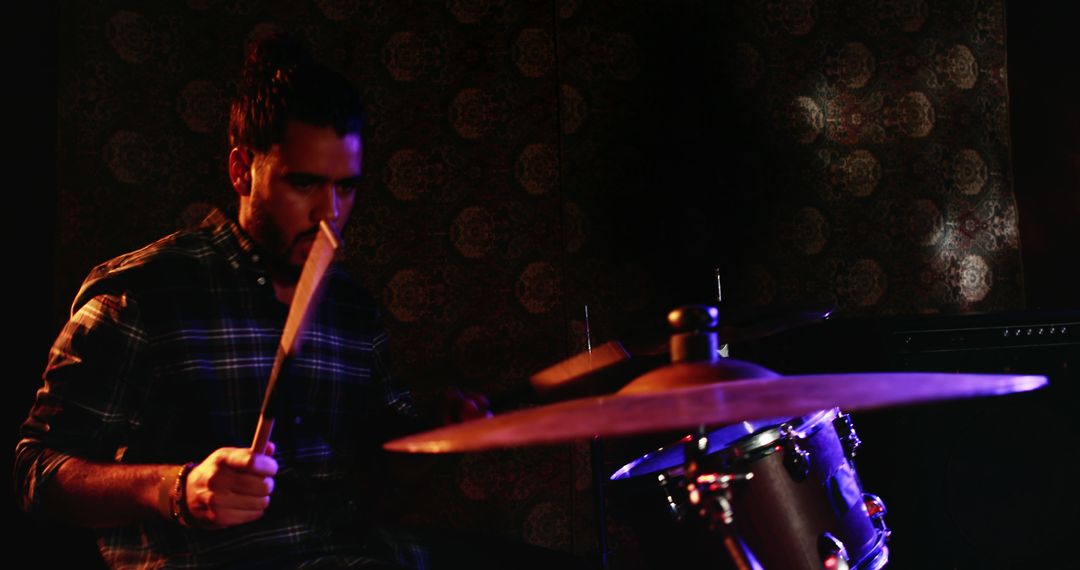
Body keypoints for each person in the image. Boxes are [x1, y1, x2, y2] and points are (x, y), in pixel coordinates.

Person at [15, 33, 487, 568]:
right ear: (242, 169)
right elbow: (36, 473)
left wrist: (440, 436)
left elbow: (385, 459)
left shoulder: (351, 307)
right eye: (304, 184)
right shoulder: (143, 292)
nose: (329, 212)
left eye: (347, 187)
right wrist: (178, 490)